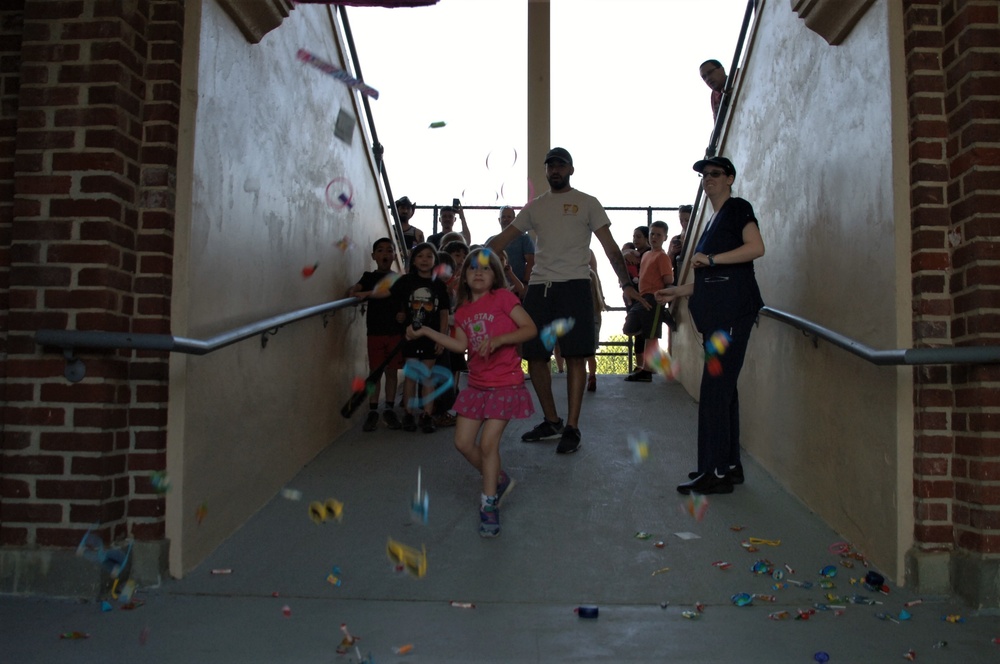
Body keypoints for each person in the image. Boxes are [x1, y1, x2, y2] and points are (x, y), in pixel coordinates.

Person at [488, 147, 640, 455]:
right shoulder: (534, 207)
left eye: (561, 166)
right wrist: (477, 263)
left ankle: (572, 426)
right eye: (550, 166)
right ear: (545, 171)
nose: (555, 170)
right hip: (540, 288)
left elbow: (610, 247)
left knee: (575, 356)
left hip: (575, 286)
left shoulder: (588, 203)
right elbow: (499, 241)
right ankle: (552, 420)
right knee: (535, 355)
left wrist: (626, 283)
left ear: (571, 170)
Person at [406, 247, 537, 537]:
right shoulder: (463, 311)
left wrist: (501, 339)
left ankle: (489, 503)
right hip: (477, 385)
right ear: (464, 275)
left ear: (495, 275)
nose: (479, 272)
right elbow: (459, 345)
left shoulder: (504, 298)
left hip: (505, 383)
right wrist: (426, 332)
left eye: (486, 268)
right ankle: (498, 479)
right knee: (463, 443)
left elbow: (529, 329)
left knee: (489, 444)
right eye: (473, 268)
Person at [655, 156, 764, 495]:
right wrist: (680, 290)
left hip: (731, 317)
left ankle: (712, 473)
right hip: (717, 317)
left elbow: (756, 248)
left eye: (715, 174)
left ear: (730, 178)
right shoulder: (713, 221)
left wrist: (713, 259)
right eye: (704, 175)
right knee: (724, 391)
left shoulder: (738, 209)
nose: (708, 179)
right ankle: (729, 466)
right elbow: (712, 276)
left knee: (715, 392)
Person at [366, 242, 449, 434]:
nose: (425, 260)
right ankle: (409, 414)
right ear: (413, 260)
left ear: (435, 260)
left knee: (427, 376)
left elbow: (444, 313)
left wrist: (441, 338)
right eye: (420, 256)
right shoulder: (405, 281)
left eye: (429, 256)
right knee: (411, 376)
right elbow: (389, 294)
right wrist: (365, 294)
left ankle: (427, 415)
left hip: (432, 337)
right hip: (410, 337)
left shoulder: (439, 285)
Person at [345, 238, 405, 432]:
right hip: (375, 332)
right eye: (380, 250)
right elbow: (357, 288)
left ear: (395, 256)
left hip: (395, 333)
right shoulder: (368, 276)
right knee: (375, 373)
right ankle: (373, 410)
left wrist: (403, 314)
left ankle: (388, 407)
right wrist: (354, 290)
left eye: (389, 250)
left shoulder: (397, 278)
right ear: (374, 256)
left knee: (392, 372)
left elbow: (386, 292)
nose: (385, 254)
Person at [622, 221, 673, 382]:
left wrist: (664, 297)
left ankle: (647, 370)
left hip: (654, 297)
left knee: (651, 336)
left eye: (658, 235)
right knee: (629, 328)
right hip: (641, 297)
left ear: (665, 237)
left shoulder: (662, 256)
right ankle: (651, 365)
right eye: (652, 234)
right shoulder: (646, 255)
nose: (654, 237)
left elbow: (668, 279)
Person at [622, 226, 651, 380]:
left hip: (645, 296)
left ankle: (646, 367)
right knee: (636, 333)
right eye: (634, 236)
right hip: (632, 296)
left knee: (644, 332)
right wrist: (625, 253)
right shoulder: (630, 252)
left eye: (638, 236)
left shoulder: (650, 254)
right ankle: (641, 366)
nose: (635, 240)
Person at [488, 206, 534, 286]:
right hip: (496, 286)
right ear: (499, 220)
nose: (506, 219)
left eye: (509, 217)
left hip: (518, 286)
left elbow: (531, 261)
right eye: (503, 217)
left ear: (514, 219)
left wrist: (525, 284)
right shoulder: (492, 241)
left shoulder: (524, 239)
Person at [586, 250, 608, 393]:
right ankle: (592, 376)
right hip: (594, 319)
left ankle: (581, 377)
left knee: (579, 355)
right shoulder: (593, 279)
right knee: (591, 353)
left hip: (580, 321)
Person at [670, 204, 693, 282]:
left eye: (687, 220)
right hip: (678, 275)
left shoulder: (697, 238)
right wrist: (672, 252)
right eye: (681, 220)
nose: (683, 223)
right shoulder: (675, 239)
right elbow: (668, 264)